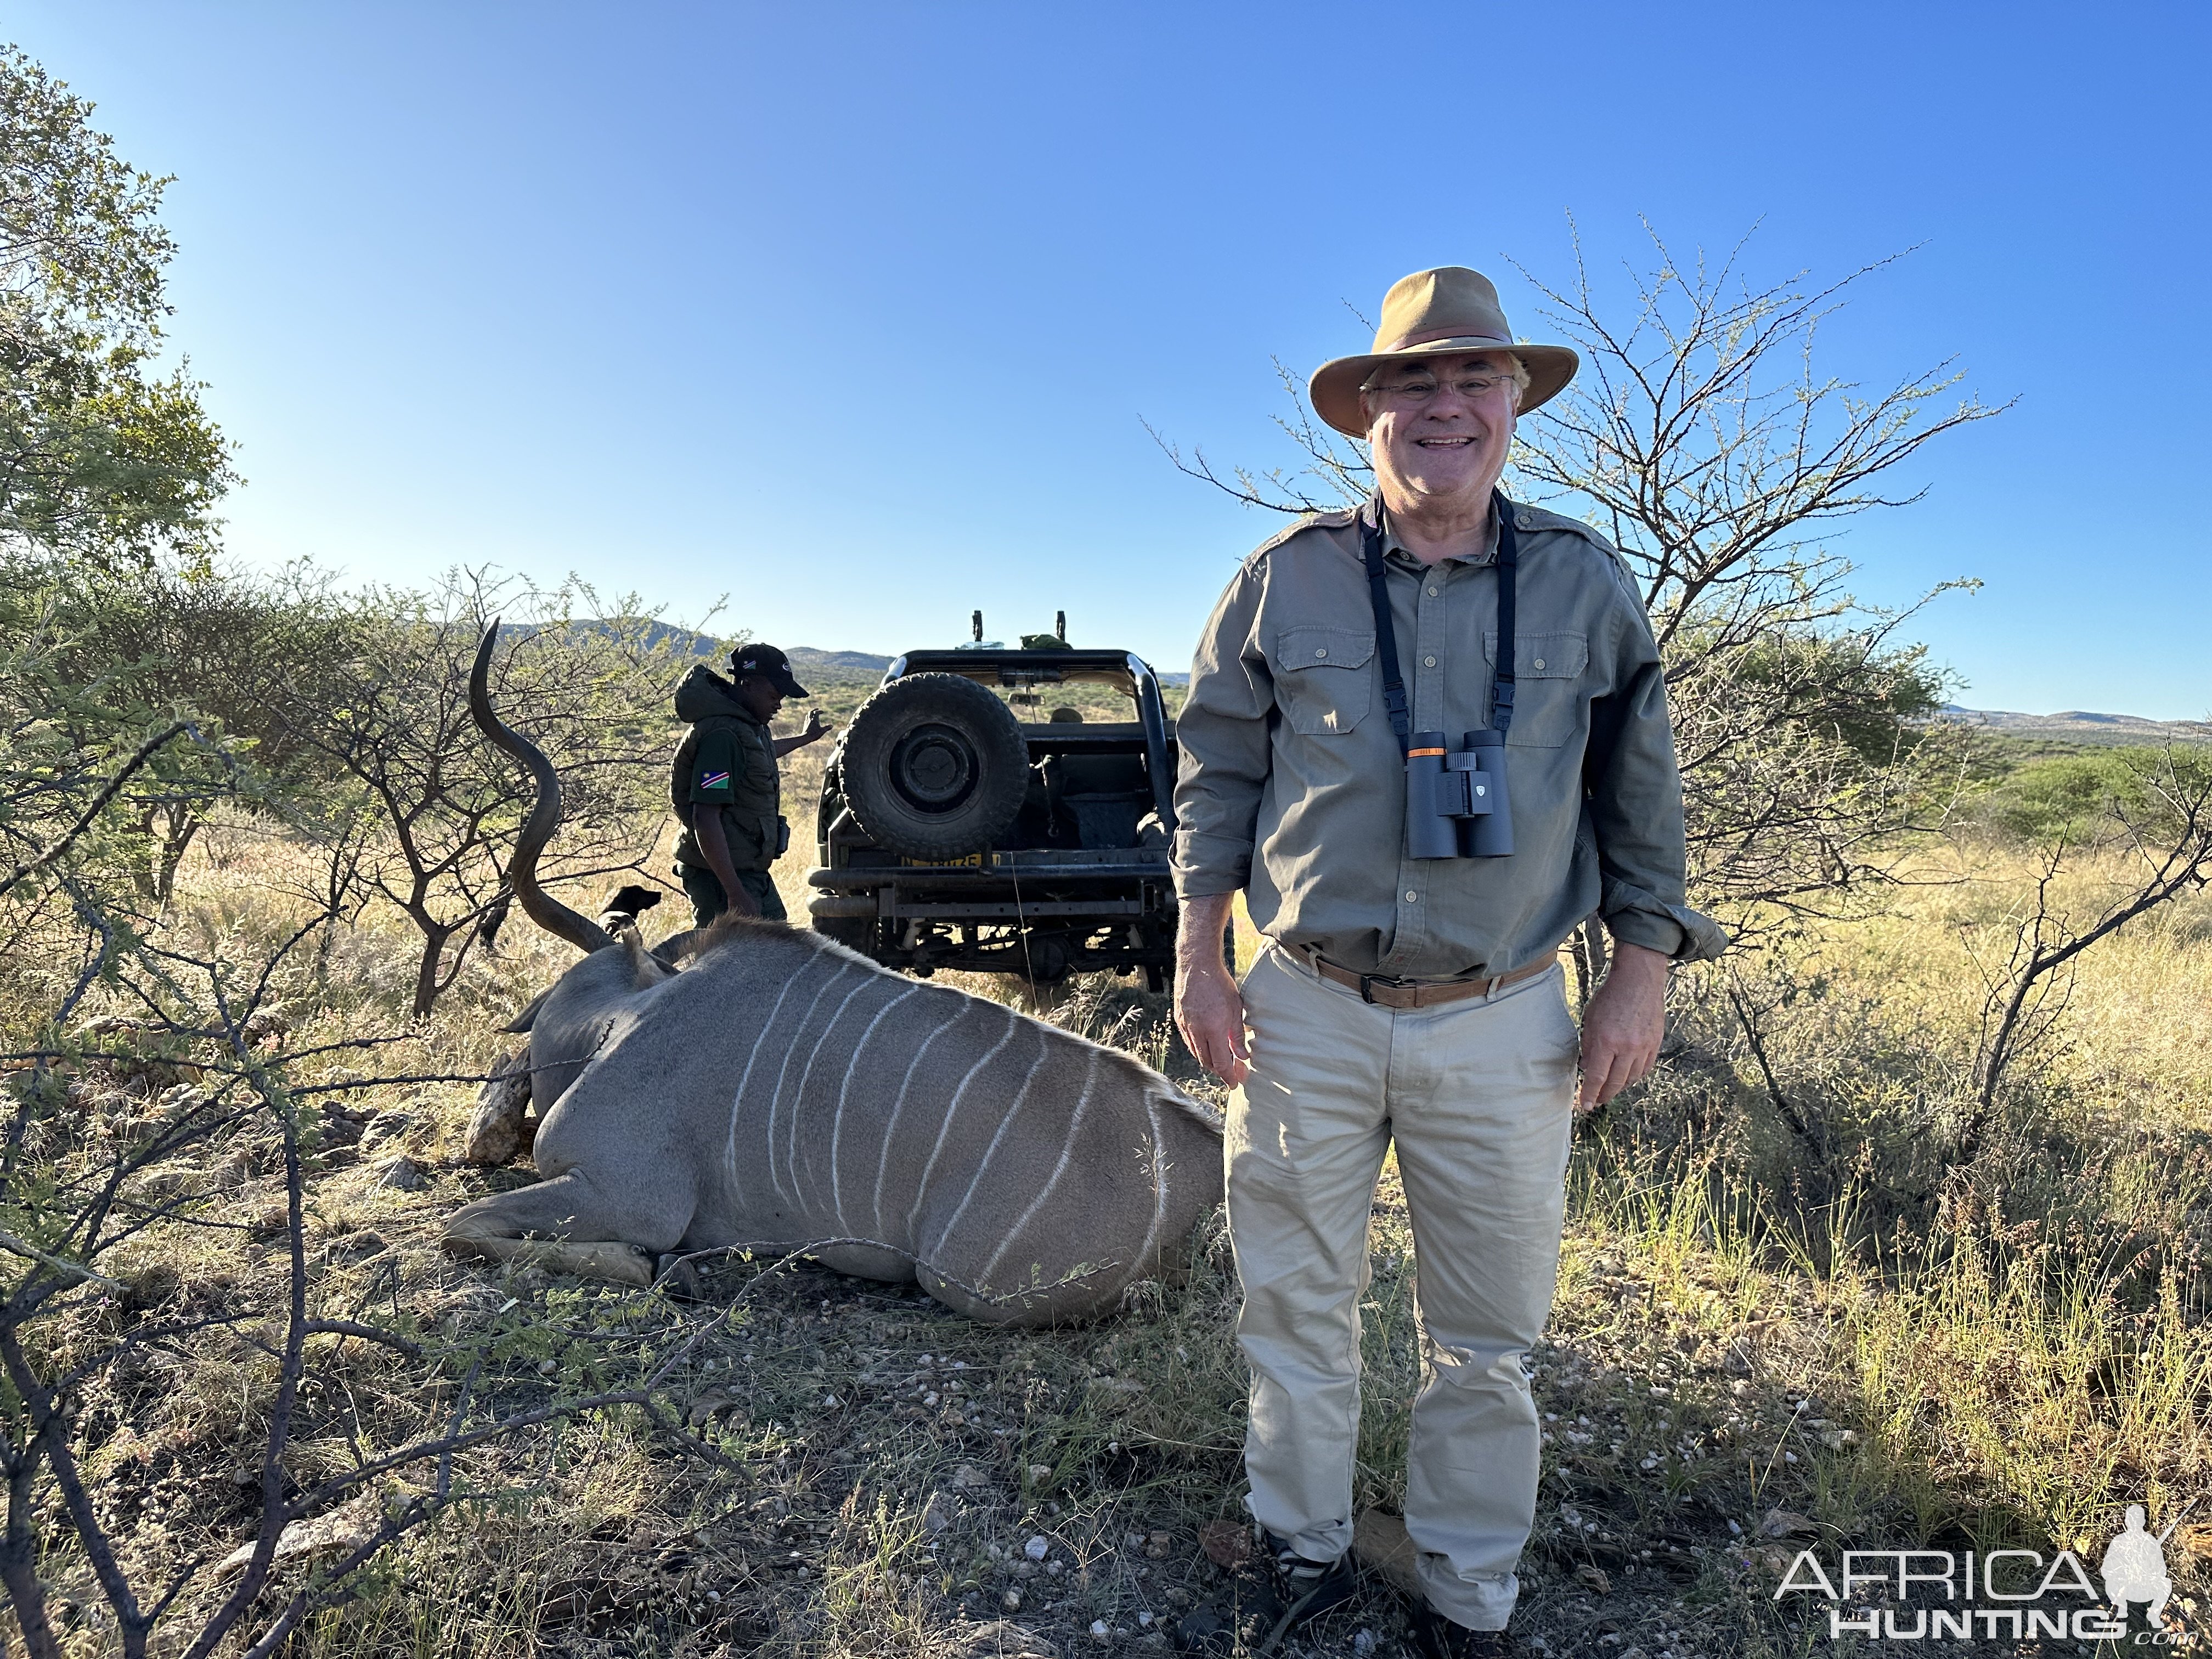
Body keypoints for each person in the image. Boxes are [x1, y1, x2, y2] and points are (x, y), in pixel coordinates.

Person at [1171, 267, 1725, 1657]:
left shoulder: (1583, 582)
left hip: (1504, 1017)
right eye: (1413, 382)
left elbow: (1638, 791)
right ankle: (1298, 1548)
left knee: (1486, 1337)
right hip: (1305, 1006)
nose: (1444, 407)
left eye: (1474, 380)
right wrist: (1197, 956)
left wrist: (1642, 969)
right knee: (1295, 1308)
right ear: (1368, 413)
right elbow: (1214, 779)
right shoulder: (1283, 578)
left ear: (1514, 405)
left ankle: (1470, 1597)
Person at [669, 644, 828, 926]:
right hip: (721, 877)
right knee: (726, 962)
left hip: (744, 871)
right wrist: (735, 893)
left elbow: (758, 754)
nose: (778, 703)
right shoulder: (722, 736)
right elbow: (705, 818)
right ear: (746, 684)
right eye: (773, 694)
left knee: (773, 948)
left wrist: (805, 739)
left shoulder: (748, 726)